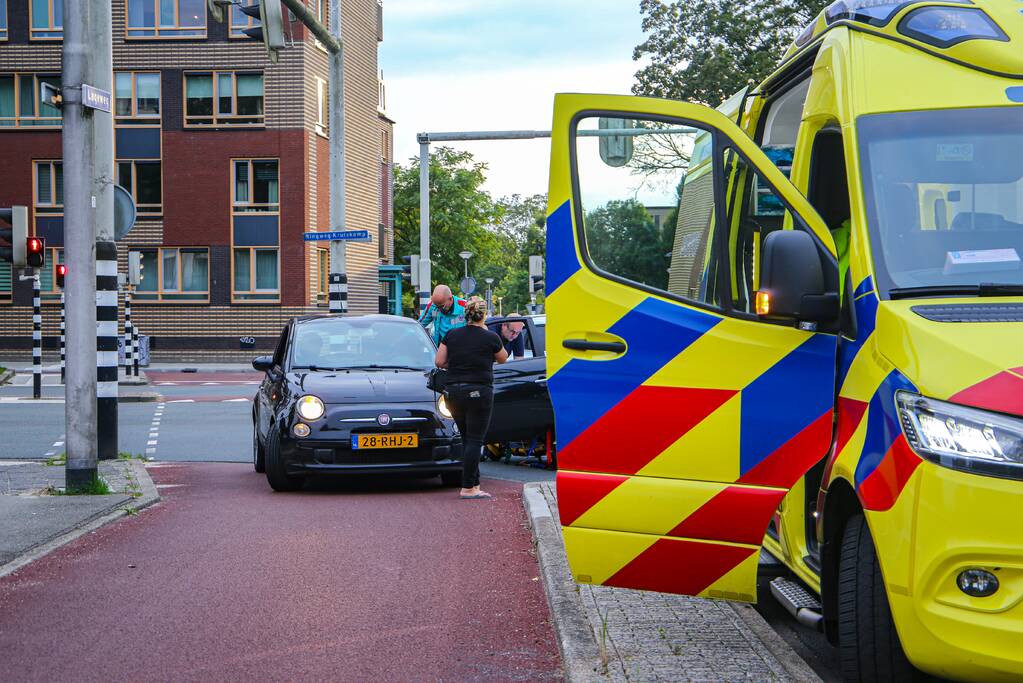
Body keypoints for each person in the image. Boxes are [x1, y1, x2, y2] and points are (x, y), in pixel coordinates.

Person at [435, 297, 508, 499]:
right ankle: (468, 487)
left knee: (467, 438)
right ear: (483, 315)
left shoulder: (451, 334)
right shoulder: (490, 337)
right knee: (475, 440)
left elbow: (439, 361)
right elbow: (503, 358)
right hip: (478, 391)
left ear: (465, 314)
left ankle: (474, 483)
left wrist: (457, 364)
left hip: (454, 392)